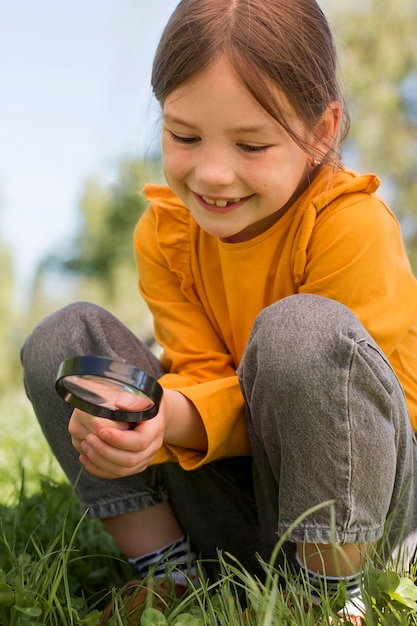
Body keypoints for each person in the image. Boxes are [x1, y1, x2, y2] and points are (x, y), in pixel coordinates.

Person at [21, 0, 417, 623]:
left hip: (363, 505)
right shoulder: (169, 234)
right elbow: (200, 371)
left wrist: (174, 414)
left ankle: (331, 601)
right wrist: (141, 423)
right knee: (62, 340)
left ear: (321, 131)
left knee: (299, 332)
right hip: (242, 499)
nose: (211, 172)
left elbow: (351, 404)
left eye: (251, 144)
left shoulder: (352, 225)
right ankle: (169, 575)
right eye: (183, 136)